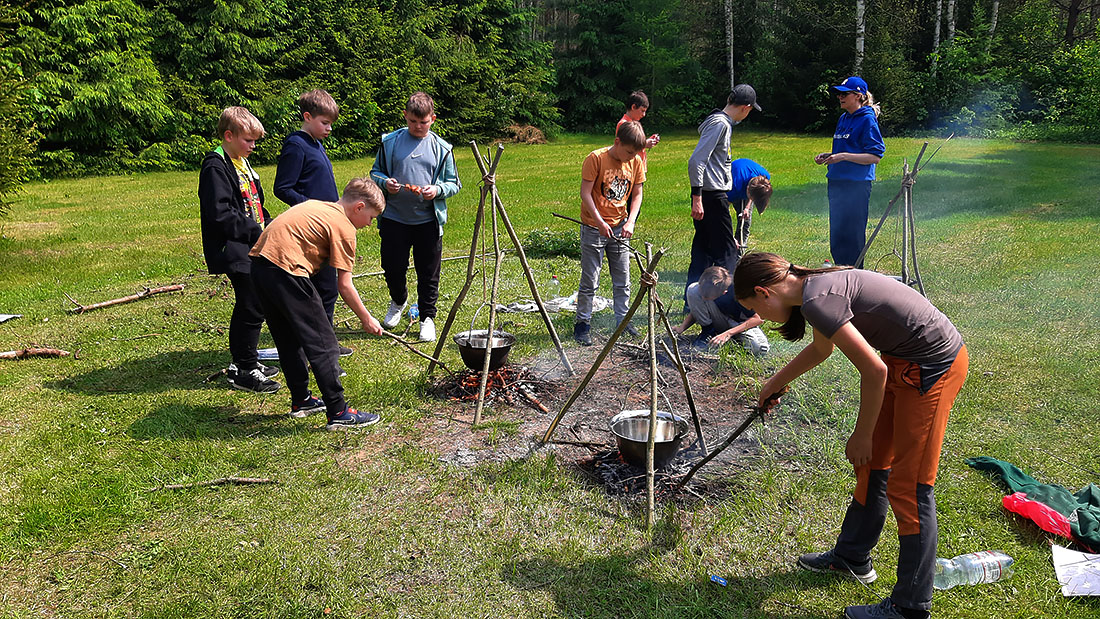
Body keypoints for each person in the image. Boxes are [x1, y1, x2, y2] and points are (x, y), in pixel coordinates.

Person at [734, 252, 968, 619]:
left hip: (932, 367)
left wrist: (863, 434)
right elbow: (821, 349)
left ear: (764, 292)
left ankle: (910, 608)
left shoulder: (817, 300)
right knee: (872, 463)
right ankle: (852, 557)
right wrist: (774, 382)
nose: (759, 317)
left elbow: (873, 372)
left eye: (754, 308)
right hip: (901, 362)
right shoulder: (813, 291)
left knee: (910, 487)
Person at [248, 178, 387, 431]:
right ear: (359, 207)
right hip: (287, 270)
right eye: (371, 217)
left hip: (260, 266)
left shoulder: (318, 206)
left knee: (288, 339)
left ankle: (301, 400)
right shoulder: (344, 226)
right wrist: (367, 318)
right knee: (323, 343)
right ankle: (339, 412)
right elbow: (344, 285)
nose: (369, 224)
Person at [197, 106, 280, 394]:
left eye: (255, 140)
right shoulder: (215, 166)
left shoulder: (241, 163)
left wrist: (269, 223)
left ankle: (245, 360)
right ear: (229, 136)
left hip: (250, 242)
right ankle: (244, 370)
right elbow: (219, 213)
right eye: (248, 140)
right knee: (251, 303)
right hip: (233, 245)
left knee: (253, 302)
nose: (253, 146)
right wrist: (255, 230)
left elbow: (255, 203)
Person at [369, 91, 461, 342]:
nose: (418, 126)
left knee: (428, 273)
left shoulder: (442, 149)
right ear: (405, 116)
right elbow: (375, 172)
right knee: (392, 267)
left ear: (433, 119)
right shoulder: (390, 142)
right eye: (412, 121)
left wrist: (437, 190)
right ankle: (398, 300)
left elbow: (454, 183)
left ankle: (427, 318)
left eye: (423, 122)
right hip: (394, 218)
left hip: (428, 222)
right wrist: (385, 183)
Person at [273, 88, 354, 360]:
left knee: (327, 289)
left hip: (327, 226)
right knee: (323, 288)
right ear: (307, 117)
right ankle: (317, 346)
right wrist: (313, 207)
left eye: (331, 123)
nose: (329, 128)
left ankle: (325, 340)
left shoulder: (317, 143)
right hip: (312, 228)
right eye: (325, 123)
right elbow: (282, 188)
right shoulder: (296, 145)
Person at [573, 121, 647, 346]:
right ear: (617, 142)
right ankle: (582, 323)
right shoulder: (596, 159)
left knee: (622, 279)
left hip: (620, 227)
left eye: (635, 153)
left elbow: (637, 194)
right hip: (593, 227)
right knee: (590, 279)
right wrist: (599, 222)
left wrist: (630, 222)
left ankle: (622, 321)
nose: (631, 157)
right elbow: (585, 193)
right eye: (629, 152)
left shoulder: (635, 161)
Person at [685, 84, 761, 302]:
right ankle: (727, 303)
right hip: (711, 196)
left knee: (703, 250)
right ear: (746, 108)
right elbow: (696, 161)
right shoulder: (720, 124)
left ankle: (693, 302)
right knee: (727, 253)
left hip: (710, 196)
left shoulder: (720, 122)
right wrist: (697, 198)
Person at [815, 76, 885, 268]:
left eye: (844, 94)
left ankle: (855, 274)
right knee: (837, 233)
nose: (840, 97)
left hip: (856, 184)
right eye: (839, 94)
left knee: (852, 235)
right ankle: (840, 270)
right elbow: (848, 149)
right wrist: (830, 156)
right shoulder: (843, 118)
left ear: (858, 96)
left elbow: (875, 156)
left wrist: (843, 156)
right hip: (837, 182)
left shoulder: (867, 120)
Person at [672, 266, 769, 356]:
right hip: (719, 321)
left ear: (724, 292)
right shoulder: (704, 289)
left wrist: (728, 334)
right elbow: (698, 309)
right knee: (693, 289)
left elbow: (758, 319)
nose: (703, 298)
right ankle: (708, 333)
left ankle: (733, 341)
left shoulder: (739, 292)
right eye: (702, 294)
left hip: (741, 324)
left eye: (707, 297)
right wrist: (682, 328)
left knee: (760, 348)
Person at [725, 158, 773, 250]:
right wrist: (729, 236)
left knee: (745, 222)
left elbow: (753, 195)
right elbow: (723, 212)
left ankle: (740, 251)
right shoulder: (734, 188)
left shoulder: (764, 179)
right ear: (747, 189)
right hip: (736, 177)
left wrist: (747, 208)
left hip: (747, 179)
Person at [616, 90, 660, 168]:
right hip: (630, 167)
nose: (644, 114)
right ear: (633, 107)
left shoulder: (635, 124)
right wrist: (645, 144)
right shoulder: (624, 124)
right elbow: (628, 146)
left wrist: (646, 141)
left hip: (638, 167)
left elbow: (635, 141)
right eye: (642, 111)